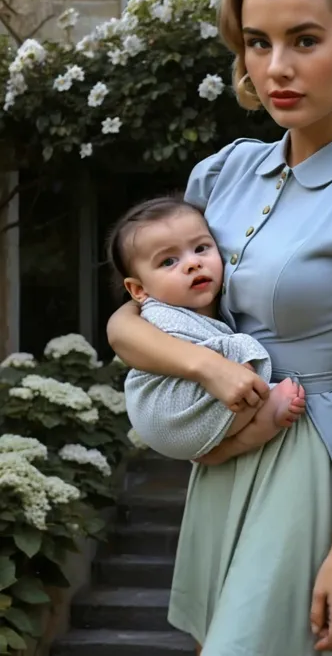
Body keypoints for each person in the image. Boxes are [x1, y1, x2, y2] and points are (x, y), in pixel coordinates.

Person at [107, 0, 332, 654]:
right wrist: (210, 371)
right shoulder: (223, 174)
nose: (276, 69)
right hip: (226, 451)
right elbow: (136, 316)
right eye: (258, 43)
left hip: (309, 457)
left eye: (304, 40)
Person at [106, 196, 305, 461]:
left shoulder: (208, 309)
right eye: (168, 262)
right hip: (167, 412)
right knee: (245, 375)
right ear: (139, 290)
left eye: (201, 248)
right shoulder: (159, 316)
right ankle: (259, 419)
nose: (192, 263)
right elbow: (232, 369)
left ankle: (232, 444)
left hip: (175, 431)